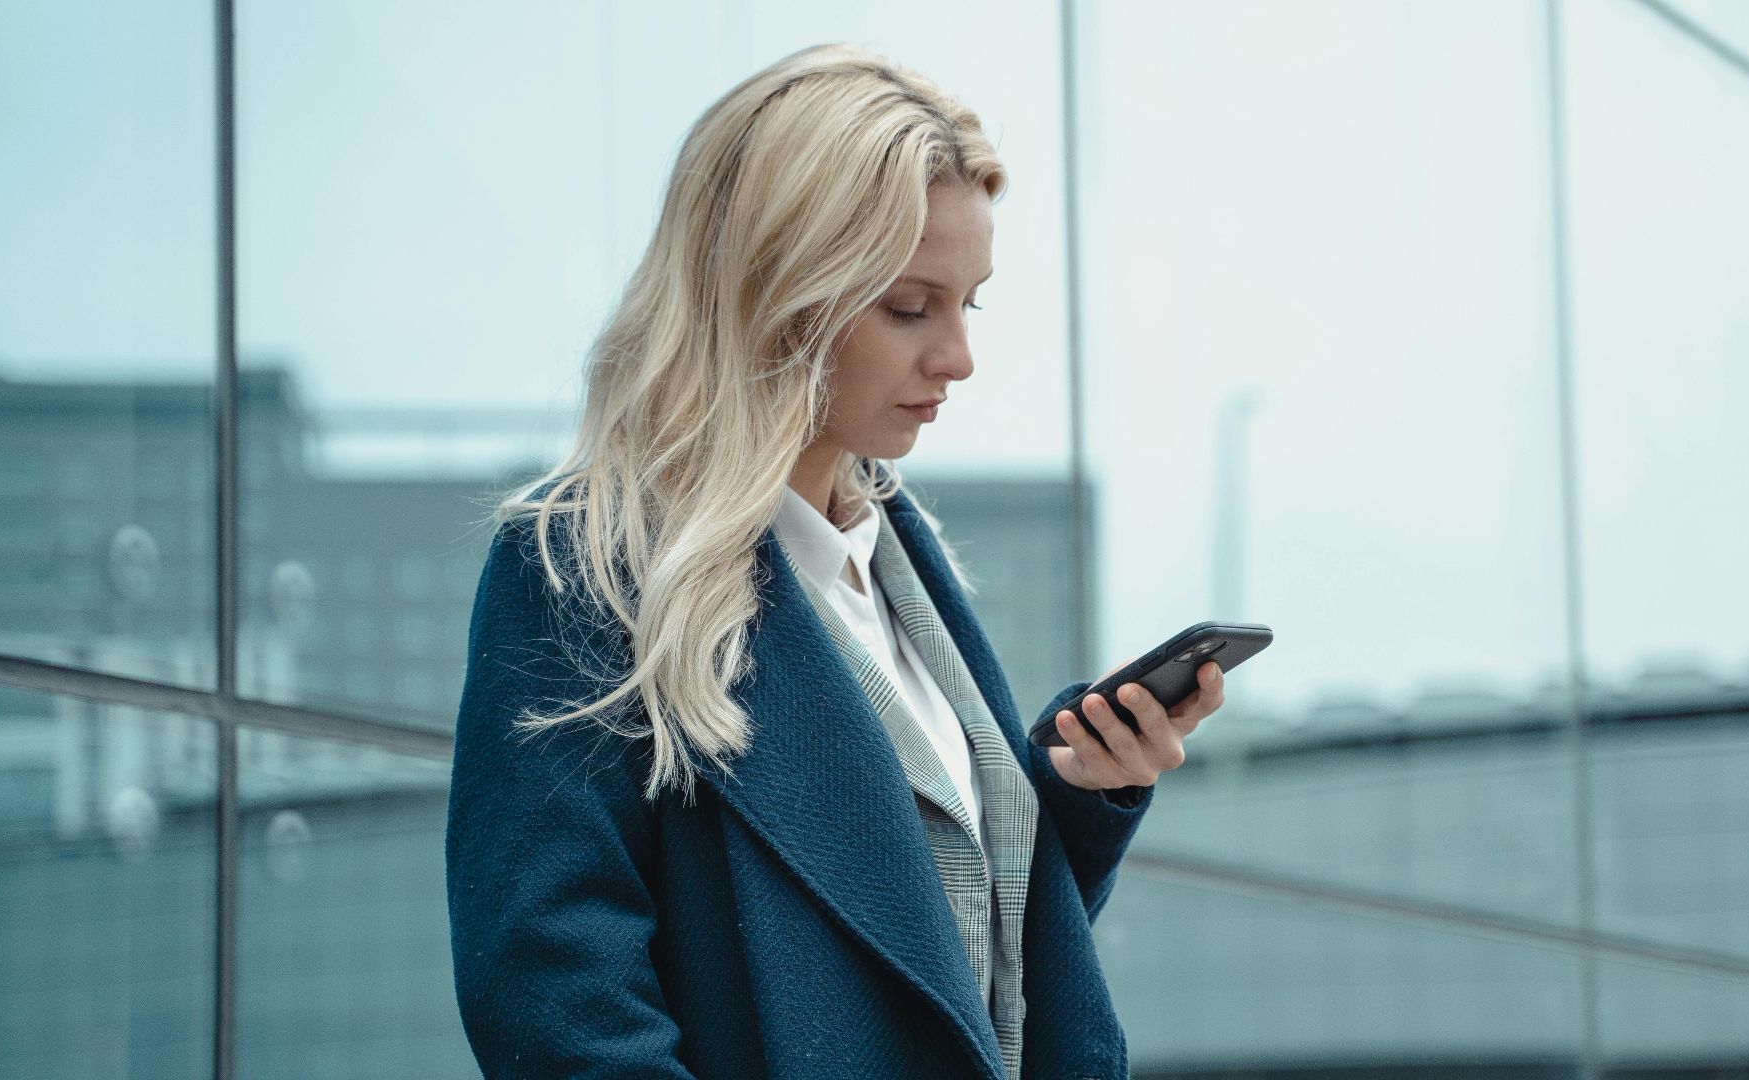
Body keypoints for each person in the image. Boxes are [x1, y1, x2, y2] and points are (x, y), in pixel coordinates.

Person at [444, 41, 1225, 1080]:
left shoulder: (901, 561)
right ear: (776, 290)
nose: (958, 356)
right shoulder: (588, 568)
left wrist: (1074, 796)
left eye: (970, 302)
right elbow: (554, 997)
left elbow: (947, 977)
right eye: (909, 308)